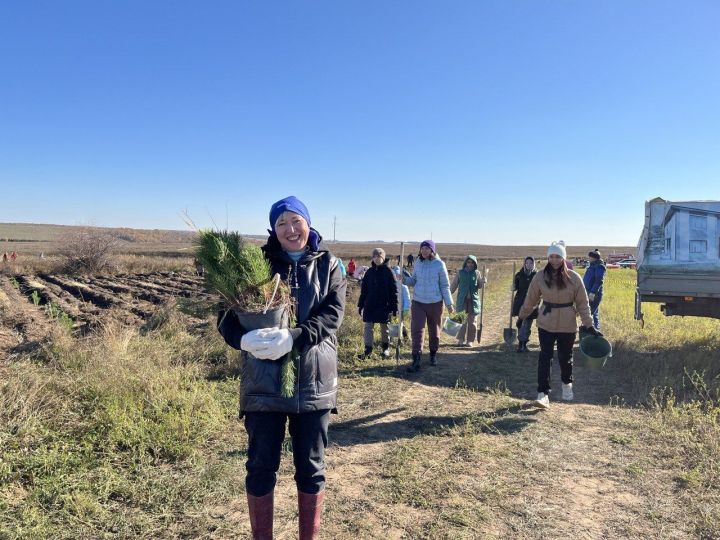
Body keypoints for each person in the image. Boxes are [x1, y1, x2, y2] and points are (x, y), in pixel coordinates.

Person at [217, 196, 346, 540]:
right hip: (263, 386)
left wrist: (296, 337)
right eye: (281, 223)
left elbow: (332, 314)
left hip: (314, 384)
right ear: (273, 229)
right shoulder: (254, 265)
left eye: (296, 220)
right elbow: (225, 318)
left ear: (308, 222)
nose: (290, 229)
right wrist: (241, 341)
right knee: (260, 468)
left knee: (311, 469)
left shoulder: (329, 265)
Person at [518, 241, 600, 409]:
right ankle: (543, 394)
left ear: (563, 258)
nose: (554, 260)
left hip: (567, 324)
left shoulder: (574, 278)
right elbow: (530, 299)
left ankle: (566, 384)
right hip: (545, 323)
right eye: (551, 257)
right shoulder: (540, 276)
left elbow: (583, 304)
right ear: (548, 257)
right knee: (545, 357)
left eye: (558, 257)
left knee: (565, 357)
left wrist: (589, 325)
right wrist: (522, 316)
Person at [401, 240, 453, 372]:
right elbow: (414, 281)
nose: (424, 251)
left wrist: (449, 303)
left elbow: (445, 286)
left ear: (432, 250)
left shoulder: (439, 265)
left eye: (427, 248)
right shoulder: (418, 263)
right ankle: (416, 358)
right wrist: (404, 279)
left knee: (434, 330)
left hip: (435, 303)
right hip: (418, 301)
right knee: (416, 329)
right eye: (422, 248)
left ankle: (433, 354)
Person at [357, 248, 398, 359]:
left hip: (384, 305)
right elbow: (364, 290)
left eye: (379, 257)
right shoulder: (369, 272)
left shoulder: (388, 272)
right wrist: (360, 305)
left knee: (384, 328)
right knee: (368, 327)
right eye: (374, 256)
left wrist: (394, 306)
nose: (376, 259)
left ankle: (385, 348)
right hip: (370, 304)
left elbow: (394, 290)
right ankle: (368, 350)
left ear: (383, 258)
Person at [449, 255, 487, 347]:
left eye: (472, 263)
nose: (470, 264)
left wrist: (482, 282)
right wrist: (447, 295)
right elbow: (453, 286)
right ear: (465, 263)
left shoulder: (477, 273)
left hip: (473, 300)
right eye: (468, 262)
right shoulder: (460, 273)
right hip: (462, 300)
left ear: (475, 264)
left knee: (472, 321)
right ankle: (461, 339)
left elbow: (478, 286)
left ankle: (470, 340)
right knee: (462, 320)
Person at [512, 256, 538, 352]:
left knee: (528, 323)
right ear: (524, 264)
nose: (529, 265)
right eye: (527, 263)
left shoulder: (536, 275)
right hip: (520, 301)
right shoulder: (519, 275)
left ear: (533, 264)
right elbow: (515, 287)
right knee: (521, 323)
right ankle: (520, 344)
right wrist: (513, 287)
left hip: (532, 302)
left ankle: (524, 343)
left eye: (531, 263)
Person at [583, 249, 606, 330]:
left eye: (590, 257)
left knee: (589, 314)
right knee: (594, 313)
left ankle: (593, 332)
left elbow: (599, 280)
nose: (588, 258)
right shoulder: (592, 266)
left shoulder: (600, 266)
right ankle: (595, 331)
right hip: (588, 292)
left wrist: (593, 292)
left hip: (594, 294)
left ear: (594, 257)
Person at [391, 265, 411, 338]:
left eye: (398, 275)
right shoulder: (390, 286)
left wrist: (406, 308)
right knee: (392, 324)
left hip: (401, 309)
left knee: (400, 323)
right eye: (394, 275)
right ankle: (392, 338)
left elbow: (407, 298)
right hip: (392, 309)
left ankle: (405, 336)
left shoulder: (403, 286)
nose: (396, 277)